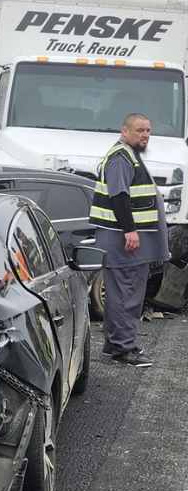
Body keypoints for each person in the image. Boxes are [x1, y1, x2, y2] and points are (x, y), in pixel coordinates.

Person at [90, 113, 165, 365]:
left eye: (148, 130)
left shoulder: (127, 156)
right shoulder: (121, 158)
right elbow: (119, 197)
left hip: (126, 243)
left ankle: (116, 346)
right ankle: (124, 349)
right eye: (140, 130)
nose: (145, 135)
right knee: (126, 294)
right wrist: (130, 230)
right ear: (125, 131)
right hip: (124, 243)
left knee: (123, 293)